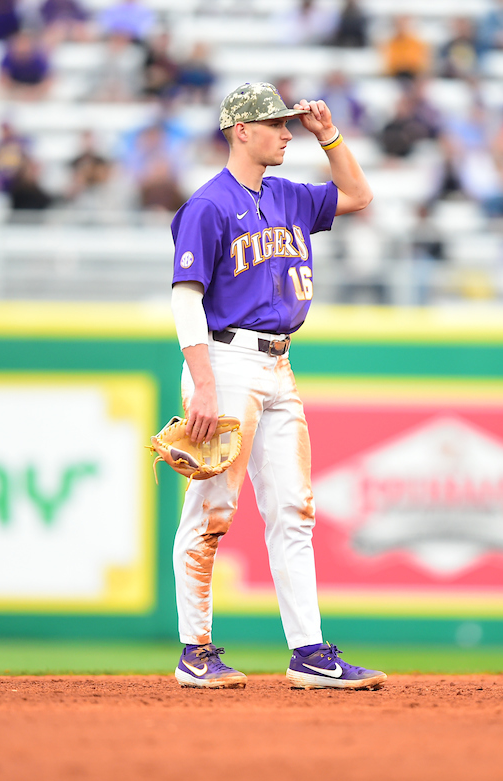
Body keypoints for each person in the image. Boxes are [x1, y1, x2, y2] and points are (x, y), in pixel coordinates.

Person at [167, 82, 384, 690]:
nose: (287, 134)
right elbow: (186, 298)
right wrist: (203, 385)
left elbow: (359, 195)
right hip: (225, 362)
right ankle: (195, 651)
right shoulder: (208, 205)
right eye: (276, 125)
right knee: (211, 510)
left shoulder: (289, 196)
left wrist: (329, 136)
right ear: (242, 131)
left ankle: (309, 652)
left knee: (294, 508)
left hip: (279, 363)